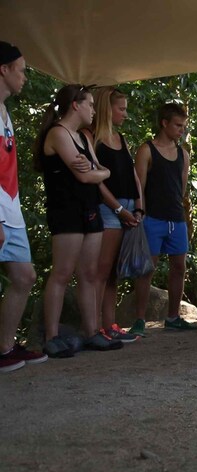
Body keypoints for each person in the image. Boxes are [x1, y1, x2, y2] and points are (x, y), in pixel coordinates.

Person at [34, 84, 123, 357]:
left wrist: (98, 171)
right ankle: (51, 336)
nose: (94, 110)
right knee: (61, 273)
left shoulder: (83, 138)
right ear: (76, 105)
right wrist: (96, 172)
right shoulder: (58, 134)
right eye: (91, 104)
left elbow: (101, 171)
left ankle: (92, 331)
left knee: (89, 273)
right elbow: (86, 176)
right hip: (66, 211)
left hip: (89, 210)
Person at [0, 41, 48, 370]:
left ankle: (3, 348)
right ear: (3, 69)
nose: (25, 77)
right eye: (21, 70)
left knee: (24, 276)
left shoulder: (4, 109)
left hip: (10, 206)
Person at [131, 103, 194, 335]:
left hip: (176, 218)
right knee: (147, 269)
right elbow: (139, 186)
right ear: (164, 123)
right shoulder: (146, 150)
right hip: (152, 219)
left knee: (179, 266)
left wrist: (182, 216)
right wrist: (141, 215)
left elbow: (182, 188)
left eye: (183, 126)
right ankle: (139, 319)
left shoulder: (183, 154)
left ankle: (173, 316)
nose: (181, 130)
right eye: (177, 125)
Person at [89, 87, 142, 342]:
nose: (125, 114)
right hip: (110, 209)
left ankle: (110, 324)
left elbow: (132, 174)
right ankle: (95, 326)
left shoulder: (120, 138)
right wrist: (119, 209)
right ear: (106, 109)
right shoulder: (93, 139)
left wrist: (139, 206)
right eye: (121, 109)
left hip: (129, 207)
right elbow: (97, 183)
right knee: (102, 269)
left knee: (113, 273)